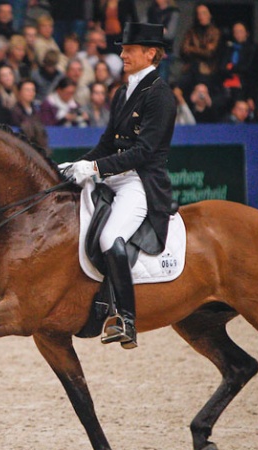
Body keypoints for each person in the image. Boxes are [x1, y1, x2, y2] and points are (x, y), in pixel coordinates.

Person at [61, 22, 176, 349]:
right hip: (115, 176)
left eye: (129, 49)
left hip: (142, 181)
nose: (122, 54)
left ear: (150, 53)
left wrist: (95, 167)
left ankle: (126, 318)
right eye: (123, 49)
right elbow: (107, 144)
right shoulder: (124, 91)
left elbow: (143, 152)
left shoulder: (161, 96)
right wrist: (77, 165)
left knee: (112, 237)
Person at [220, 21, 258, 104]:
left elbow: (247, 68)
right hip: (227, 82)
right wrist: (231, 70)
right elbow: (222, 67)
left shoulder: (254, 48)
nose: (238, 34)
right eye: (235, 32)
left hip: (246, 85)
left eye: (240, 31)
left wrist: (231, 67)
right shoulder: (229, 47)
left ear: (247, 33)